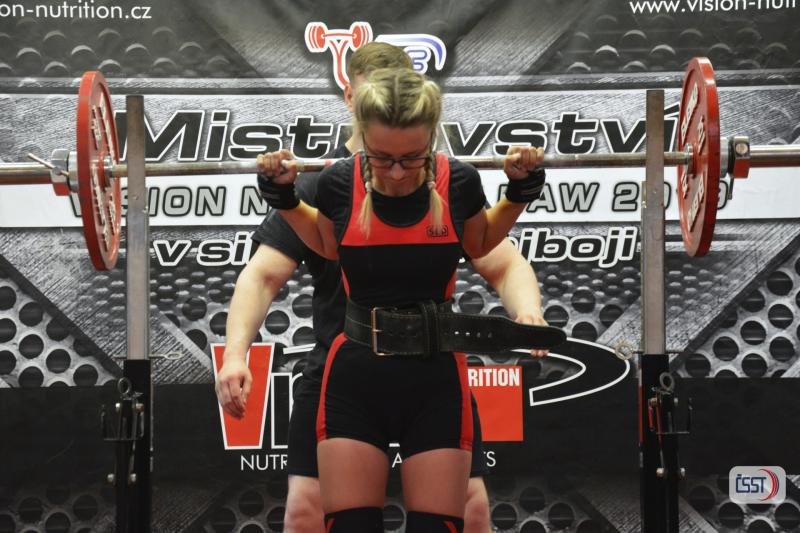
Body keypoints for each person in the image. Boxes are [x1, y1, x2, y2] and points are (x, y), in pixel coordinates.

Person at [217, 42, 548, 533]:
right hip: (346, 364)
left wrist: (527, 305)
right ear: (354, 101)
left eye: (410, 158)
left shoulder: (455, 184)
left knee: (466, 512)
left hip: (432, 370)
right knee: (312, 512)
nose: (395, 172)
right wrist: (235, 354)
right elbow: (265, 274)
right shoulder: (328, 185)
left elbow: (498, 258)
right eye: (383, 158)